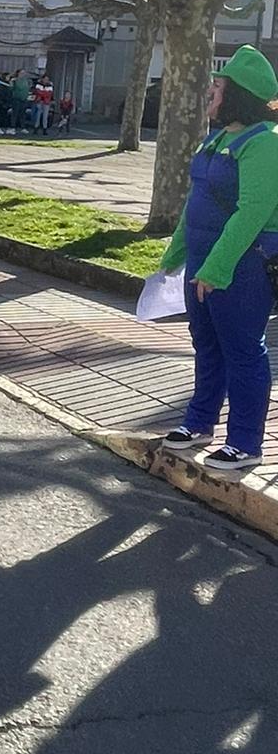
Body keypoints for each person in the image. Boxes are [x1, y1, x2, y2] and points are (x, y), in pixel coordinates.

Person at [158, 46, 278, 473]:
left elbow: (254, 212)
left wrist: (218, 267)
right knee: (206, 344)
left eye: (218, 87)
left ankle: (245, 443)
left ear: (239, 95)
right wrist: (176, 253)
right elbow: (197, 199)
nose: (210, 91)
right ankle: (199, 423)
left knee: (243, 350)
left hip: (243, 266)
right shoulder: (218, 137)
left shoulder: (264, 143)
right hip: (205, 260)